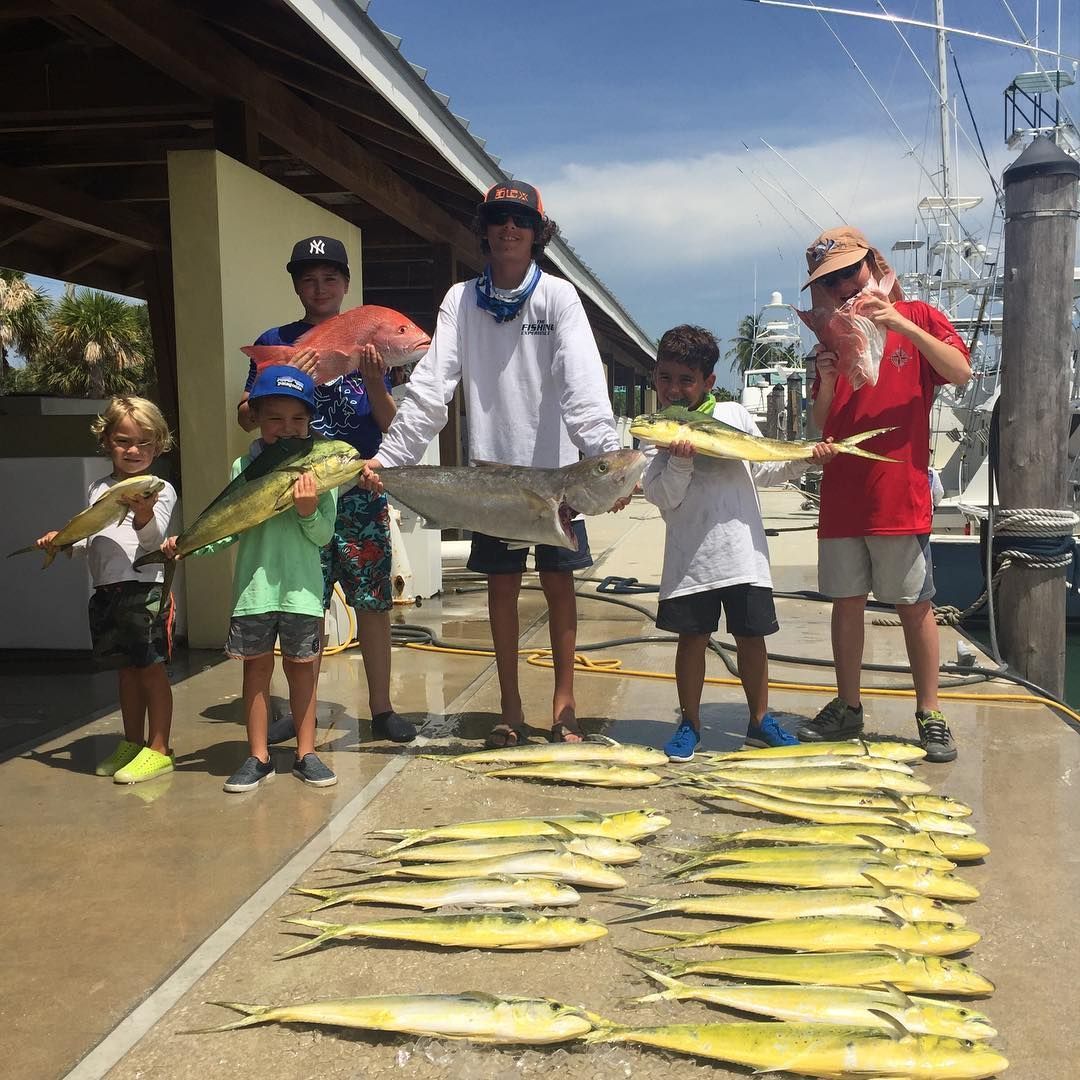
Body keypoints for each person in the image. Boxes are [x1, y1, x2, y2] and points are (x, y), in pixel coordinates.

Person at [360, 180, 627, 748]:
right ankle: (510, 706)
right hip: (490, 480)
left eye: (521, 221)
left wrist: (605, 458)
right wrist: (390, 460)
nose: (510, 228)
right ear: (484, 229)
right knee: (500, 591)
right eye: (499, 218)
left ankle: (565, 705)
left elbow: (583, 389)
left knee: (561, 587)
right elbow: (432, 391)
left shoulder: (558, 297)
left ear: (537, 234)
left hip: (559, 481)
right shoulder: (460, 300)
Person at [795, 226, 971, 762]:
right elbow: (820, 426)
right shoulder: (828, 336)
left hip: (900, 494)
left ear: (873, 263)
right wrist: (824, 382)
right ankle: (848, 706)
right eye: (832, 280)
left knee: (915, 606)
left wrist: (899, 324)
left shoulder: (917, 314)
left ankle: (930, 711)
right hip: (844, 496)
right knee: (844, 605)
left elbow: (961, 373)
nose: (846, 285)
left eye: (852, 271)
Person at [237, 236, 415, 744]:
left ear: (346, 285)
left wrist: (377, 381)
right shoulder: (277, 339)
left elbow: (391, 426)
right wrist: (288, 374)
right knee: (303, 604)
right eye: (309, 279)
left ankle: (381, 708)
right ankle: (302, 712)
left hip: (359, 487)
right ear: (296, 286)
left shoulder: (374, 340)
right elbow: (248, 417)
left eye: (330, 278)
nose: (320, 288)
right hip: (301, 487)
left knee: (373, 601)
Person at [642, 325, 838, 762]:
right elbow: (662, 498)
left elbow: (762, 470)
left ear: (708, 382)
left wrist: (806, 457)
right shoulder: (655, 431)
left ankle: (759, 720)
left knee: (753, 639)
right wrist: (677, 461)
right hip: (690, 560)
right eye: (665, 378)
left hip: (743, 556)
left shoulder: (734, 415)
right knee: (691, 640)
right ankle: (689, 722)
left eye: (685, 380)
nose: (674, 389)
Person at [169, 366, 339, 792]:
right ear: (258, 419)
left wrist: (307, 510)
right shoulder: (244, 465)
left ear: (310, 422)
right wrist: (188, 545)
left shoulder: (320, 467)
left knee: (304, 674)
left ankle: (307, 752)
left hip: (302, 592)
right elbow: (228, 525)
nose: (287, 428)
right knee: (256, 675)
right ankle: (258, 755)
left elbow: (323, 535)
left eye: (298, 419)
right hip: (255, 592)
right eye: (275, 419)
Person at [35, 397, 177, 784]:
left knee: (150, 670)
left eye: (144, 443)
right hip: (106, 593)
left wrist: (143, 511)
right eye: (123, 441)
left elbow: (153, 539)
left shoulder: (158, 488)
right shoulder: (99, 487)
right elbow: (92, 536)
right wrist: (63, 541)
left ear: (159, 445)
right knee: (126, 672)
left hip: (145, 590)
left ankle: (159, 748)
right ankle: (131, 744)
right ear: (106, 442)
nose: (134, 450)